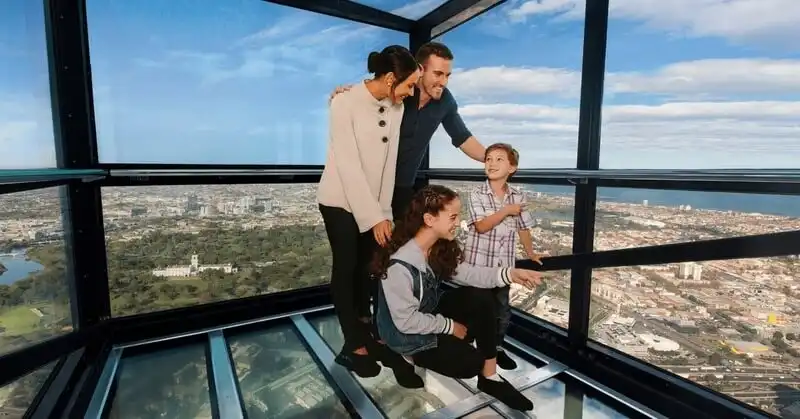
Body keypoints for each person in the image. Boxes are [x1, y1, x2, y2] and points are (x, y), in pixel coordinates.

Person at [371, 184, 542, 411]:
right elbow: (406, 321)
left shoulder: (439, 247)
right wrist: (450, 326)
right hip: (404, 333)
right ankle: (402, 355)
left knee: (481, 297)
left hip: (426, 312)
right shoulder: (399, 266)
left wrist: (511, 274)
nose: (458, 222)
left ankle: (490, 378)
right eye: (453, 216)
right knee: (470, 364)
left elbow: (471, 274)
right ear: (430, 220)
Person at [317, 45, 422, 384]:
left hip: (373, 205)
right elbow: (347, 164)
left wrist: (385, 212)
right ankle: (353, 345)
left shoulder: (397, 107)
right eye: (408, 85)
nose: (410, 93)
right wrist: (372, 216)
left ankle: (368, 333)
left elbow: (387, 165)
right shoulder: (343, 101)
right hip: (339, 200)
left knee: (367, 270)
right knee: (346, 269)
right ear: (391, 78)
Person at [330, 42, 487, 221]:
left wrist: (494, 158)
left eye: (447, 75)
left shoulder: (446, 101)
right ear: (420, 69)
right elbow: (365, 103)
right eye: (438, 74)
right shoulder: (398, 92)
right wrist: (343, 96)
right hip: (371, 185)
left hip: (403, 188)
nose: (443, 82)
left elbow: (463, 137)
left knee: (403, 243)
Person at [464, 143, 545, 371]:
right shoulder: (476, 194)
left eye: (499, 159)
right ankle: (472, 346)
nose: (491, 163)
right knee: (477, 306)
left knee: (502, 309)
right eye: (488, 159)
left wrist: (531, 253)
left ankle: (496, 348)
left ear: (513, 168)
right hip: (479, 265)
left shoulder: (518, 196)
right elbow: (481, 226)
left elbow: (523, 228)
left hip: (504, 266)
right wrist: (506, 211)